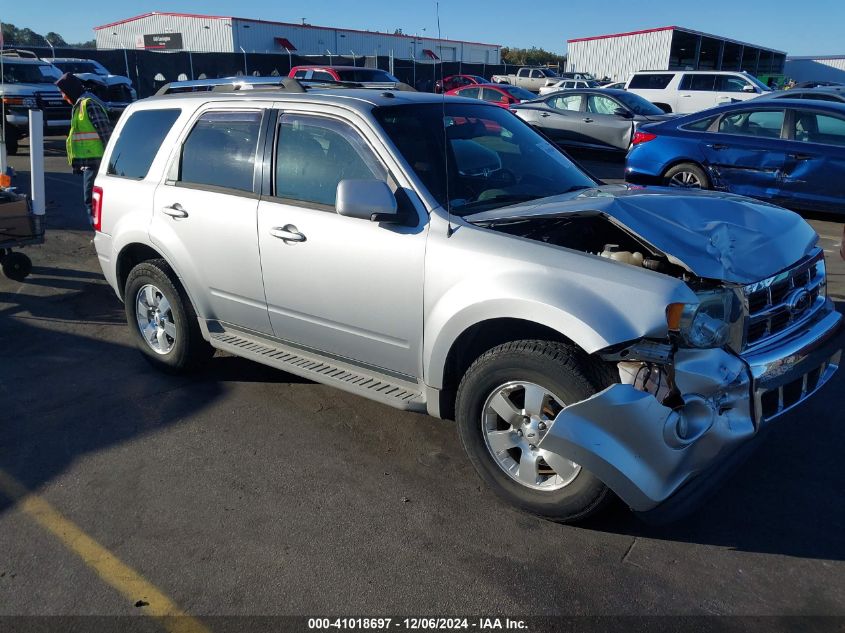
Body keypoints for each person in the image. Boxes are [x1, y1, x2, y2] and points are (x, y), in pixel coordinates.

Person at [54, 73, 112, 227]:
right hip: (90, 161)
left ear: (70, 90)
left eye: (63, 92)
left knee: (91, 200)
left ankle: (98, 233)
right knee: (94, 200)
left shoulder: (88, 104)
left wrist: (110, 160)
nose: (62, 97)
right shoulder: (80, 105)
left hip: (97, 161)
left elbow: (105, 132)